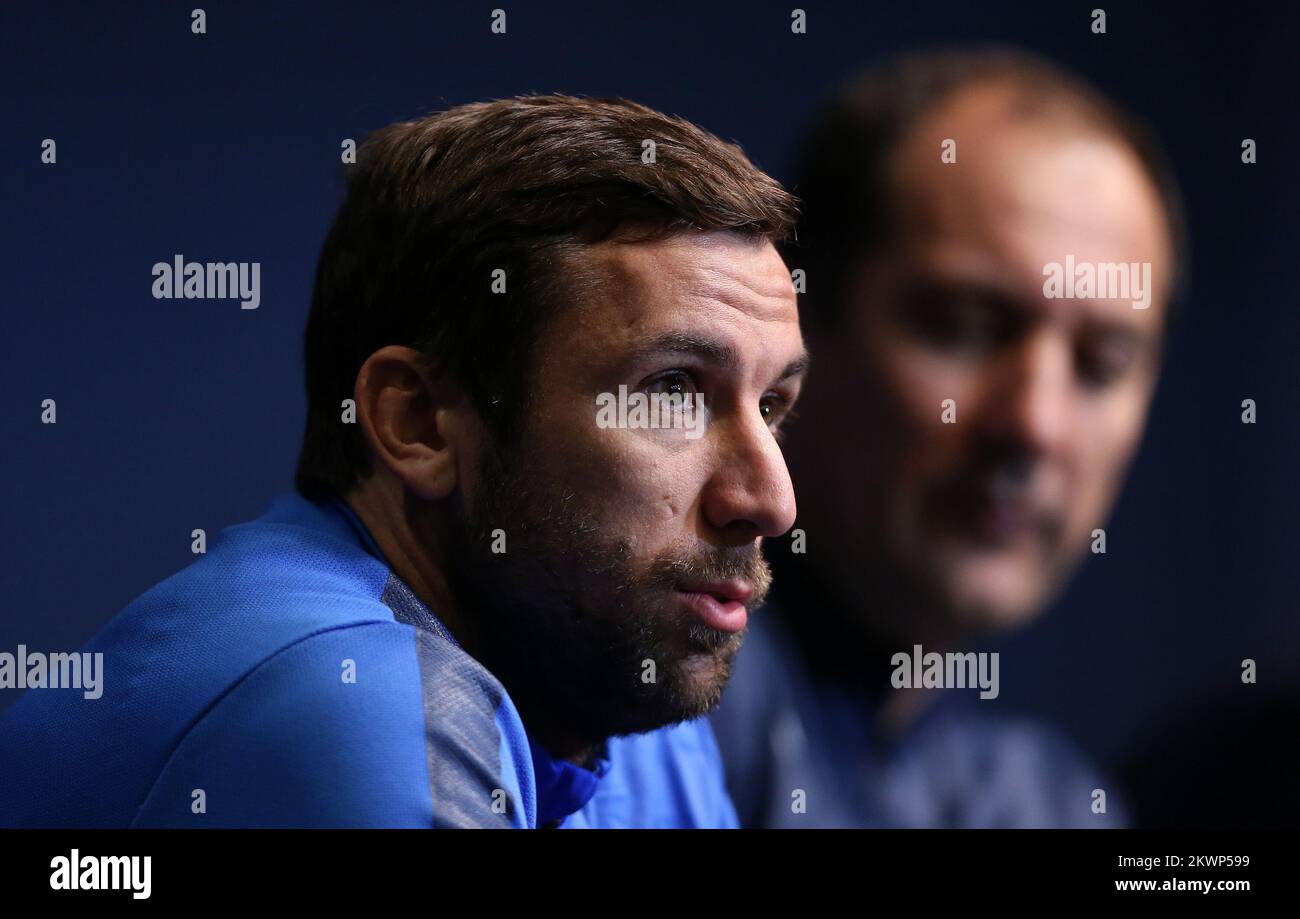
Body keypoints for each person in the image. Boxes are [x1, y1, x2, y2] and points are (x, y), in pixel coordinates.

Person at [0, 94, 808, 828]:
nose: (771, 500)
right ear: (418, 422)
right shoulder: (353, 698)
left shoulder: (619, 696)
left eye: (772, 406)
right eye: (670, 391)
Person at [710, 47, 1186, 828]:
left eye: (1100, 365)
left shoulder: (1047, 805)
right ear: (793, 316)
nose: (1033, 423)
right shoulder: (630, 708)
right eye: (961, 329)